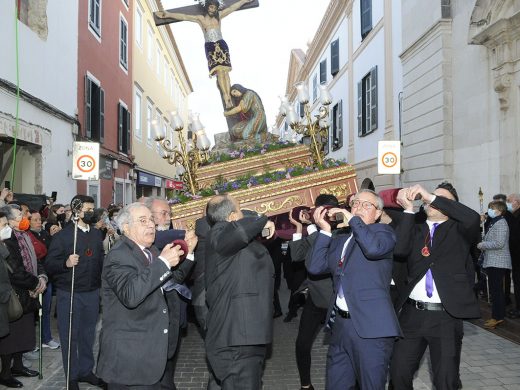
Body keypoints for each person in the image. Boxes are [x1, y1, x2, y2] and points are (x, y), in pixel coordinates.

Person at [389, 182, 481, 390]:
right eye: (430, 197)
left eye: (441, 199)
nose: (431, 200)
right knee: (398, 373)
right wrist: (408, 210)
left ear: (453, 207)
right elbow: (400, 250)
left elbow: (473, 218)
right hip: (412, 315)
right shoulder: (416, 227)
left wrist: (431, 197)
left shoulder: (461, 230)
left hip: (446, 317)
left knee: (446, 380)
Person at [96, 202, 196, 389]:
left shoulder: (151, 251)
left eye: (151, 219)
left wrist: (188, 253)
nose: (151, 225)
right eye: (143, 221)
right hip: (131, 360)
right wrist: (164, 262)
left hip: (151, 352)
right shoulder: (118, 255)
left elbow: (169, 281)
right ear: (126, 227)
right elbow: (131, 295)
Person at [307, 189, 400, 389]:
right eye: (355, 204)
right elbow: (315, 267)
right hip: (340, 326)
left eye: (367, 205)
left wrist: (353, 220)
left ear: (377, 214)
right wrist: (324, 230)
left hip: (371, 330)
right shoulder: (341, 237)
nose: (359, 208)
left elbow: (373, 249)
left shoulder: (384, 233)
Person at [205, 195, 275, 389]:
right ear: (233, 216)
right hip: (237, 337)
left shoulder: (227, 235)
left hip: (242, 335)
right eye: (240, 209)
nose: (244, 213)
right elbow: (244, 229)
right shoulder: (220, 233)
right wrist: (263, 219)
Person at [45, 195, 105, 390]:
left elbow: (100, 262)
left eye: (92, 209)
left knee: (88, 334)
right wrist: (66, 263)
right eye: (87, 209)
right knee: (70, 335)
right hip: (69, 293)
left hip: (92, 292)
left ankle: (86, 370)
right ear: (77, 211)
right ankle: (71, 375)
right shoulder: (63, 236)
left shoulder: (97, 235)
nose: (91, 212)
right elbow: (49, 264)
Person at [155, 0, 253, 109]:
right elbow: (183, 16)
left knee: (225, 72)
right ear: (207, 7)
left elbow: (231, 8)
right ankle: (226, 96)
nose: (213, 10)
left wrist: (245, 0)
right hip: (210, 46)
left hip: (221, 43)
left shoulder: (219, 16)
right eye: (211, 7)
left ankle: (229, 96)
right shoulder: (200, 19)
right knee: (220, 72)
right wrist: (168, 14)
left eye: (214, 8)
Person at [288, 194, 340, 390]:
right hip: (315, 299)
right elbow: (296, 256)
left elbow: (319, 261)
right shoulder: (316, 232)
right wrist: (300, 227)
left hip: (334, 302)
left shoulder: (341, 232)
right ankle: (306, 385)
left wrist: (312, 228)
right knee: (302, 344)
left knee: (341, 348)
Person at [0, 205, 47, 388]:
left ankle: (18, 366)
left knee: (23, 333)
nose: (25, 217)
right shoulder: (8, 240)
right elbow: (14, 271)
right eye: (20, 215)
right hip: (15, 293)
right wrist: (34, 283)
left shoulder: (25, 235)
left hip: (29, 291)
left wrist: (41, 277)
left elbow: (36, 260)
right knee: (10, 337)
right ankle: (5, 373)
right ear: (10, 221)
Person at [29, 210, 60, 350]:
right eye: (34, 220)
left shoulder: (45, 235)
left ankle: (46, 338)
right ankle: (29, 343)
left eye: (39, 220)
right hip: (32, 279)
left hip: (47, 277)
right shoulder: (26, 236)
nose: (38, 222)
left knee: (46, 310)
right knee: (31, 313)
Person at [478, 200, 511, 328]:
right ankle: (497, 316)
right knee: (494, 290)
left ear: (499, 210)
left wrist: (483, 245)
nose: (490, 210)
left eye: (492, 208)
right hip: (493, 261)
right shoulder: (494, 222)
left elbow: (499, 243)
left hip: (498, 262)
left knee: (496, 291)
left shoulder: (501, 223)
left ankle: (497, 317)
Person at [507, 193, 520, 318]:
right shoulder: (514, 215)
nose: (507, 203)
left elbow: (515, 237)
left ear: (516, 202)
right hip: (515, 256)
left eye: (509, 201)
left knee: (518, 282)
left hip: (517, 256)